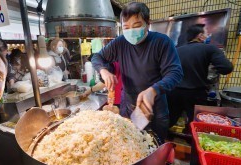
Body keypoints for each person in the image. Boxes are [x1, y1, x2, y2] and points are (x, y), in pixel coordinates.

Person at [91, 2, 183, 141]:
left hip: (154, 106)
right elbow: (97, 57)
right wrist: (103, 70)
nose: (131, 31)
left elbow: (175, 73)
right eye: (126, 27)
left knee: (155, 144)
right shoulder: (120, 42)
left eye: (137, 25)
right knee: (129, 144)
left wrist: (153, 90)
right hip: (129, 104)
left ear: (148, 23)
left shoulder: (162, 42)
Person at [167, 24, 233, 131]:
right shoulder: (210, 48)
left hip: (173, 92)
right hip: (196, 94)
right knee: (195, 125)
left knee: (168, 121)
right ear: (200, 36)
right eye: (206, 34)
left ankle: (160, 143)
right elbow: (226, 68)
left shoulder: (176, 50)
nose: (208, 36)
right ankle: (191, 143)